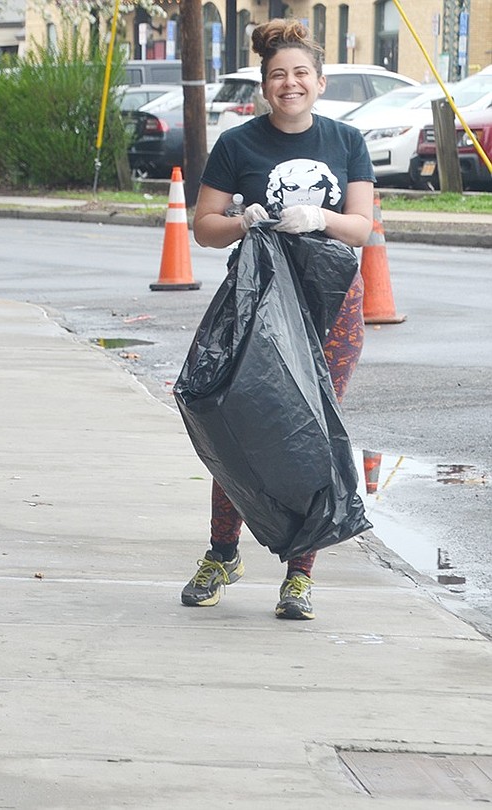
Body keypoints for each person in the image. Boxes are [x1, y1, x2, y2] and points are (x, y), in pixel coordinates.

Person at [181, 19, 375, 620]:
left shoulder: (346, 141)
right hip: (258, 306)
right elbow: (203, 227)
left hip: (330, 305)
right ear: (265, 86)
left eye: (300, 74)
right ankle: (222, 554)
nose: (289, 84)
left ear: (319, 82)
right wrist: (245, 219)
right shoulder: (238, 146)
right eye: (277, 76)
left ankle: (300, 574)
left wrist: (318, 219)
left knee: (310, 431)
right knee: (241, 425)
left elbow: (362, 227)